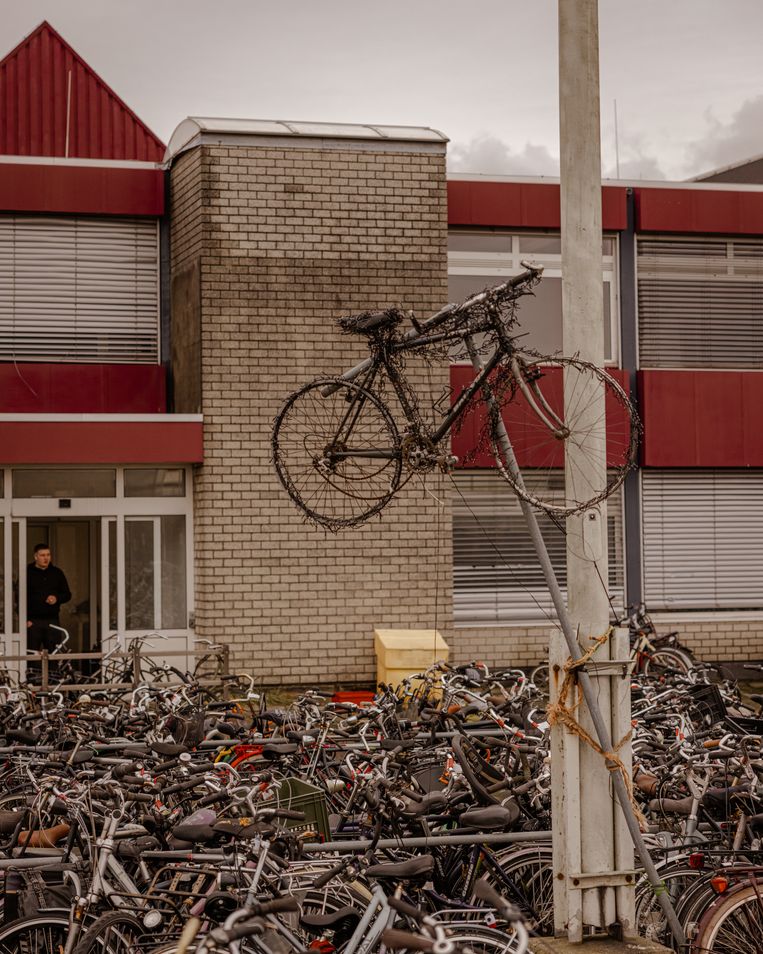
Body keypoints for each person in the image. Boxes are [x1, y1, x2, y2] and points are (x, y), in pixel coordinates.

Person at [27, 543, 71, 654]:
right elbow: (18, 597)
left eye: (48, 555)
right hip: (33, 622)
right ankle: (32, 672)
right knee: (32, 656)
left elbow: (67, 594)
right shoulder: (27, 573)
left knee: (53, 655)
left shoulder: (57, 573)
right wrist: (25, 619)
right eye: (42, 555)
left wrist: (56, 598)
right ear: (35, 556)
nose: (46, 558)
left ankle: (53, 672)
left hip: (52, 621)